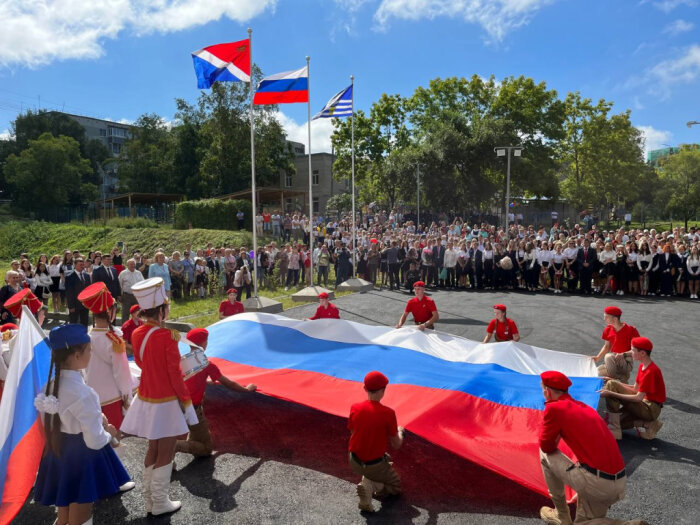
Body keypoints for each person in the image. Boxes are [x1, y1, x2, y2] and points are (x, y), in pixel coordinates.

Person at [33, 324, 133, 525]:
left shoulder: (48, 386)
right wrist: (108, 432)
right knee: (81, 509)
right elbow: (95, 440)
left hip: (59, 450)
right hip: (82, 457)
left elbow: (48, 421)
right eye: (89, 350)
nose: (91, 354)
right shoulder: (83, 393)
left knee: (64, 507)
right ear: (76, 355)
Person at [121, 277, 198, 516]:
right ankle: (160, 502)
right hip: (165, 400)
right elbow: (175, 375)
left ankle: (150, 500)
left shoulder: (137, 333)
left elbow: (144, 363)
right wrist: (186, 402)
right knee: (165, 451)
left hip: (147, 396)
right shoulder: (167, 337)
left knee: (153, 450)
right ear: (162, 310)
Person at [537, 370, 648, 525]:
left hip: (597, 483)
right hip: (618, 481)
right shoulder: (585, 407)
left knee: (544, 453)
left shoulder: (554, 408)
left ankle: (562, 515)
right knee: (584, 521)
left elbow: (547, 446)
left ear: (547, 392)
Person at [176, 328, 257, 457]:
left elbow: (186, 380)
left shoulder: (182, 360)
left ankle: (177, 446)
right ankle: (171, 446)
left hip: (177, 404)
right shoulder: (206, 363)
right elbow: (228, 383)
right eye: (206, 341)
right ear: (203, 343)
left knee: (197, 433)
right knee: (206, 449)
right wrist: (247, 389)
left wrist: (205, 382)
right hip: (192, 408)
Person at [79, 282, 133, 431]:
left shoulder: (87, 335)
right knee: (113, 439)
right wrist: (127, 397)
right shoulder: (113, 339)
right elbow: (121, 373)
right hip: (111, 397)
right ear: (110, 311)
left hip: (90, 394)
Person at [348, 371, 404, 513]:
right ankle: (371, 484)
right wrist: (401, 432)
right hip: (374, 465)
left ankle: (368, 477)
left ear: (365, 389)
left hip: (353, 459)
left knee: (382, 458)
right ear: (383, 390)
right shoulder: (388, 413)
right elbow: (396, 444)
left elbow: (354, 433)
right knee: (395, 486)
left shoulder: (355, 407)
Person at [600, 337, 666, 441]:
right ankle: (648, 424)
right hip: (645, 405)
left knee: (612, 386)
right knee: (617, 421)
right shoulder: (643, 366)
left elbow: (638, 398)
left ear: (642, 353)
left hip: (650, 409)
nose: (630, 353)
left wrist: (611, 393)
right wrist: (614, 383)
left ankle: (615, 430)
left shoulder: (651, 371)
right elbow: (635, 389)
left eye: (633, 350)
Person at [591, 306, 639, 383]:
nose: (604, 319)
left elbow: (637, 349)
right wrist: (597, 358)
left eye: (606, 317)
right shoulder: (608, 329)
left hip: (625, 360)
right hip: (612, 361)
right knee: (595, 373)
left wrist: (623, 354)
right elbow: (607, 347)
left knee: (608, 356)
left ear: (615, 319)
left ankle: (613, 379)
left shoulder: (631, 330)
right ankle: (621, 378)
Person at [64, 258, 91, 327]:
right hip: (75, 305)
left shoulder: (87, 276)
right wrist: (71, 306)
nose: (82, 266)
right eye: (80, 265)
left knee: (84, 323)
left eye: (83, 265)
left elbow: (89, 290)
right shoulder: (69, 277)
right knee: (73, 323)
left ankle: (84, 336)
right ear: (75, 265)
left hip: (85, 304)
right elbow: (69, 293)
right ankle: (73, 337)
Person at [118, 258, 144, 325]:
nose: (132, 265)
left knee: (138, 313)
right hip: (127, 296)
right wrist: (119, 295)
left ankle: (137, 327)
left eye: (134, 264)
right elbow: (119, 284)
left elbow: (143, 283)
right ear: (127, 265)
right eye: (131, 264)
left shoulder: (138, 273)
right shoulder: (123, 273)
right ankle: (124, 328)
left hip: (137, 296)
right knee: (125, 313)